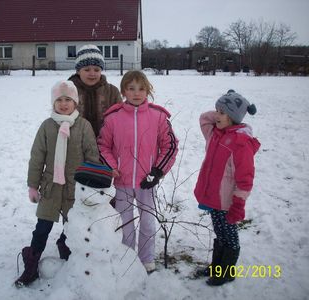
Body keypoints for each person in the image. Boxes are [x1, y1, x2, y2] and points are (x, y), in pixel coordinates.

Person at [15, 81, 100, 288]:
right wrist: (33, 186)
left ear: (75, 102)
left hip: (75, 187)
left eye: (68, 100)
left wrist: (91, 185)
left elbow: (92, 156)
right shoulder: (47, 126)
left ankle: (65, 245)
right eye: (59, 100)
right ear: (53, 103)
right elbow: (37, 157)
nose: (63, 104)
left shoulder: (84, 126)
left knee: (72, 225)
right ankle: (31, 266)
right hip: (51, 187)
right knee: (42, 227)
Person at [98, 70, 178, 273]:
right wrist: (111, 167)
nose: (136, 93)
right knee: (124, 223)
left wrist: (157, 171)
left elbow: (170, 146)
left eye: (141, 88)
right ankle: (127, 257)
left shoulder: (158, 116)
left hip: (146, 182)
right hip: (122, 181)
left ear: (148, 91)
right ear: (124, 90)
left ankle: (146, 257)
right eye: (131, 88)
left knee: (148, 222)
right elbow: (102, 146)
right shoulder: (113, 117)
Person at [194, 90, 261, 286]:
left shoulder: (241, 143)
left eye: (222, 112)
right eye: (217, 110)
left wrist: (238, 204)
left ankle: (227, 272)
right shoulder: (215, 133)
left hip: (229, 202)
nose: (216, 115)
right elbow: (203, 119)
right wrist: (221, 108)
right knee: (220, 233)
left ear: (234, 117)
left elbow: (245, 178)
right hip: (214, 198)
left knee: (229, 236)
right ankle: (217, 267)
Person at [68, 44, 122, 137]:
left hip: (105, 144)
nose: (92, 73)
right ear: (78, 71)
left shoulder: (112, 92)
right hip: (76, 144)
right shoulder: (69, 90)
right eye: (87, 70)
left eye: (96, 70)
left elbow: (121, 118)